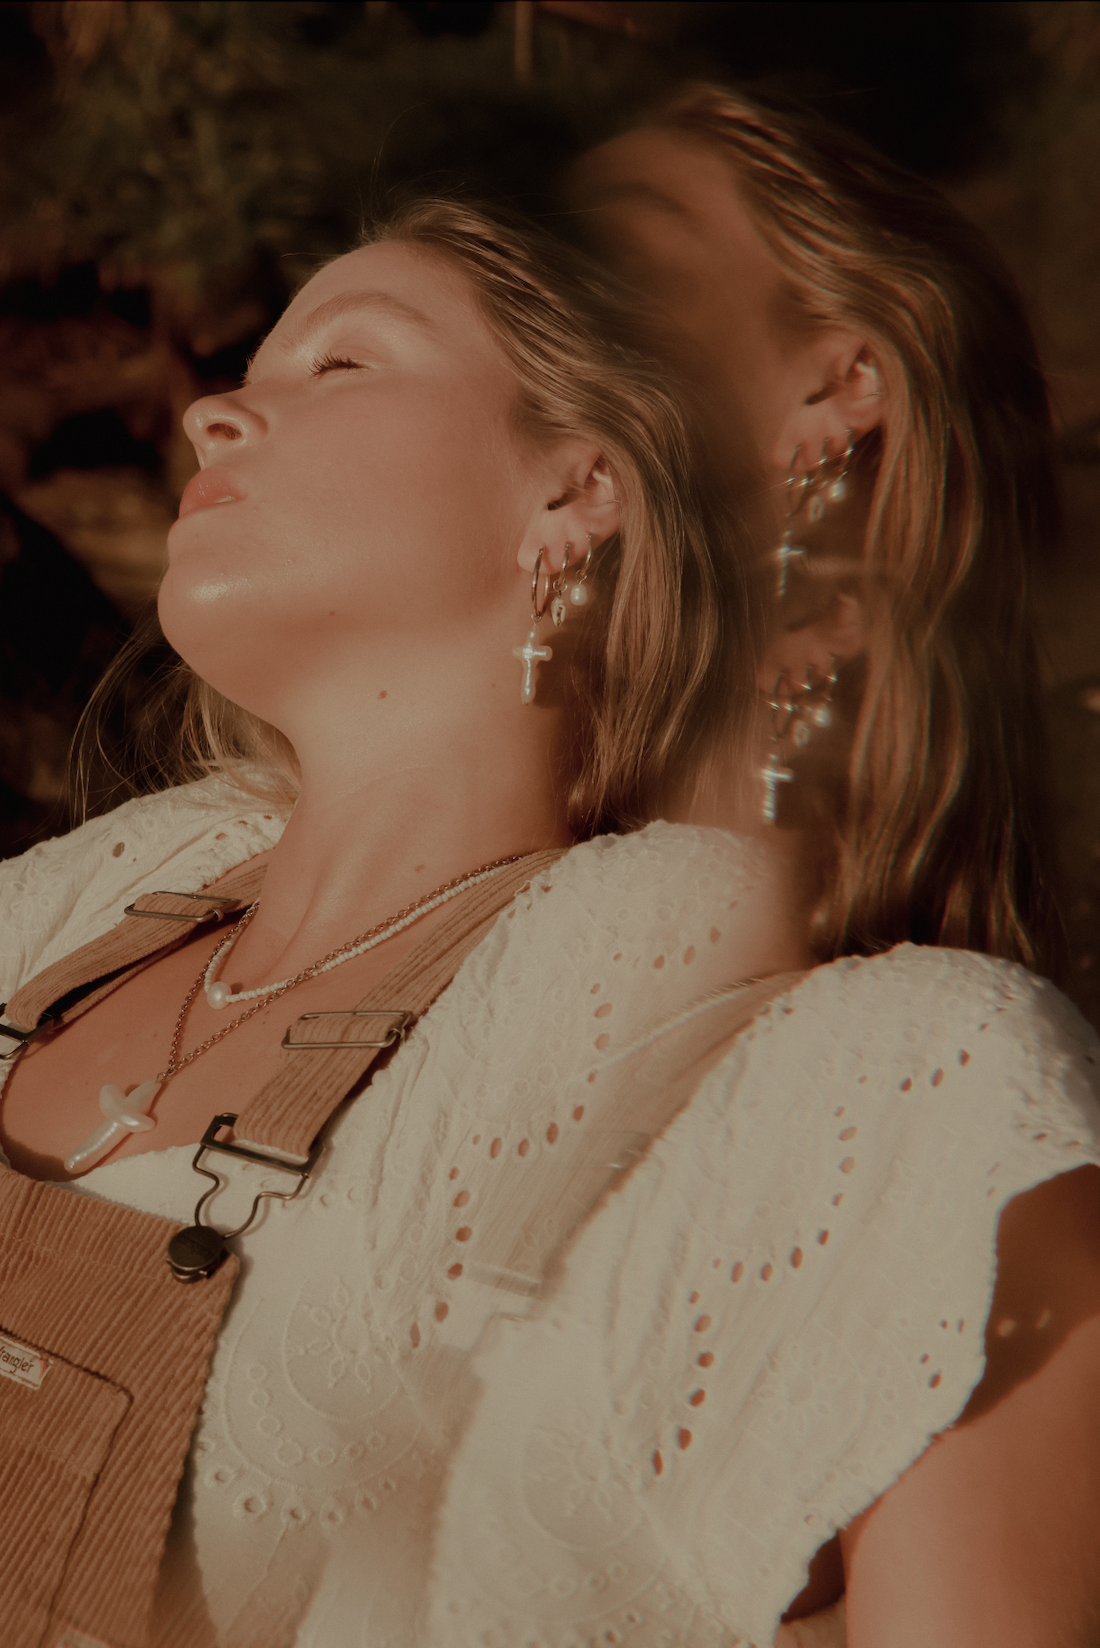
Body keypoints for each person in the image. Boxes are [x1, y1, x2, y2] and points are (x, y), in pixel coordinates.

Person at [0, 180, 1095, 1648]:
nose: (212, 413)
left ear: (578, 490)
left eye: (340, 358)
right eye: (247, 372)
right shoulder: (82, 901)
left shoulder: (844, 1087)